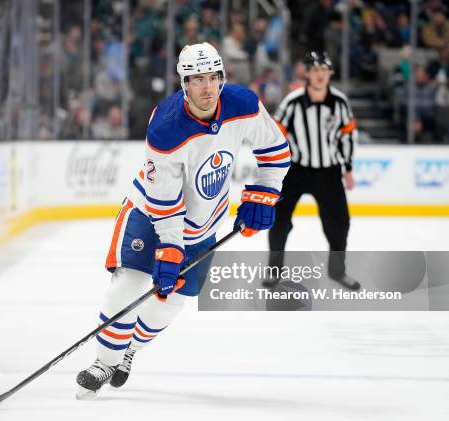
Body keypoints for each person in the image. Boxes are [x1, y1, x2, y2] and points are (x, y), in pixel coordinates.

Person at [75, 42, 290, 397]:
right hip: (150, 215)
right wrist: (170, 248)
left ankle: (127, 352)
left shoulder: (244, 105)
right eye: (198, 79)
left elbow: (275, 149)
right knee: (128, 286)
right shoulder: (166, 128)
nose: (208, 87)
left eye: (213, 77)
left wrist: (264, 193)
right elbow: (165, 200)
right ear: (184, 83)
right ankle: (102, 362)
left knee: (171, 302)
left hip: (205, 224)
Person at [266, 51, 359, 290]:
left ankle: (338, 271)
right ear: (307, 73)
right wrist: (275, 166)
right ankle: (274, 271)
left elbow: (347, 136)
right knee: (279, 221)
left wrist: (347, 168)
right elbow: (276, 134)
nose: (319, 75)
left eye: (324, 70)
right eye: (315, 70)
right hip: (296, 171)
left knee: (339, 223)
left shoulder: (339, 102)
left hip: (328, 171)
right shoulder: (293, 101)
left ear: (329, 74)